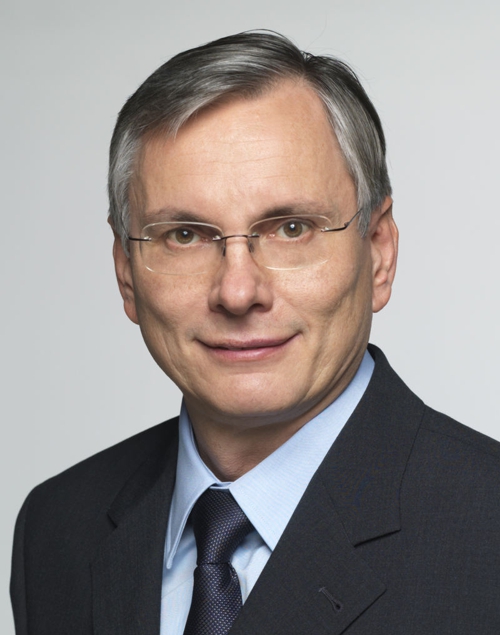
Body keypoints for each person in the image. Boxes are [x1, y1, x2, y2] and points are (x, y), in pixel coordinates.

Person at [10, 31, 500, 635]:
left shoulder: (488, 532)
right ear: (126, 273)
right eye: (184, 236)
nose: (238, 292)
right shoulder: (58, 530)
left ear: (378, 253)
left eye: (292, 228)